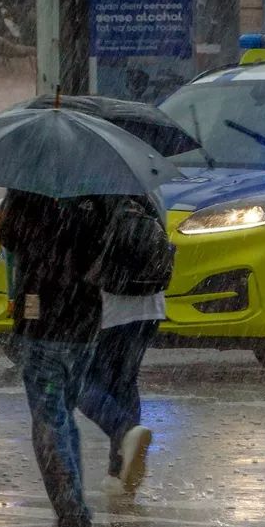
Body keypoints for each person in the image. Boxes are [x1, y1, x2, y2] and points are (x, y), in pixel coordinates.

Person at [0, 190, 112, 527]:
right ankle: (72, 513)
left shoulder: (31, 188)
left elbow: (6, 235)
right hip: (85, 325)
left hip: (43, 321)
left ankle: (74, 519)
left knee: (49, 422)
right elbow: (107, 249)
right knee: (63, 417)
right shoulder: (101, 189)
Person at [77, 192, 170, 498]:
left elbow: (80, 253)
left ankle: (124, 431)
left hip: (110, 305)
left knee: (77, 383)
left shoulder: (91, 195)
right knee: (125, 383)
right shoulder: (147, 188)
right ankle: (119, 472)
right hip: (150, 304)